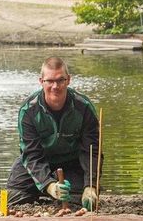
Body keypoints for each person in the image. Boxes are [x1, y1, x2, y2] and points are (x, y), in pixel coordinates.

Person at [6, 56, 100, 210]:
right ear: (41, 81)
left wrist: (91, 185)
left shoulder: (84, 107)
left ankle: (71, 192)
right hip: (39, 160)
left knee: (81, 201)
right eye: (49, 81)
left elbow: (92, 151)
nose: (55, 86)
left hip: (72, 163)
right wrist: (49, 185)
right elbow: (30, 154)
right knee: (13, 197)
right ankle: (46, 192)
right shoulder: (28, 110)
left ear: (68, 80)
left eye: (60, 80)